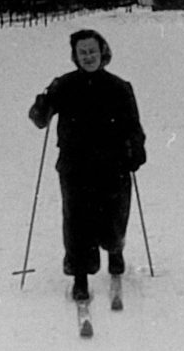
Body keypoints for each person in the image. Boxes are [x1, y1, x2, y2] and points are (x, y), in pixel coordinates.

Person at [28, 28, 146, 302]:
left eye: (93, 51)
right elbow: (40, 120)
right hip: (75, 164)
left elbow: (133, 127)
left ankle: (115, 251)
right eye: (82, 52)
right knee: (77, 221)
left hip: (113, 164)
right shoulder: (63, 85)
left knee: (114, 215)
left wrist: (135, 151)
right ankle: (80, 277)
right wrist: (40, 106)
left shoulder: (119, 87)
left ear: (103, 52)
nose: (88, 56)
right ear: (75, 56)